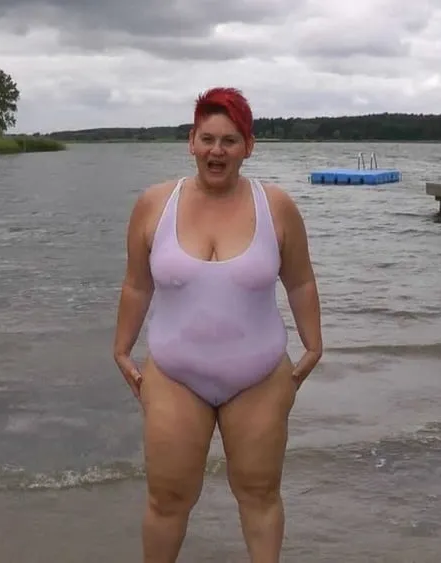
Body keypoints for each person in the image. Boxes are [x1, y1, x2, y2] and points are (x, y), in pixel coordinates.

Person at [112, 86, 323, 563]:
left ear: (248, 146)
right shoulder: (153, 204)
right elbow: (137, 284)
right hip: (173, 375)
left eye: (230, 141)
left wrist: (314, 346)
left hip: (260, 377)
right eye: (207, 139)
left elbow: (301, 282)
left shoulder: (278, 207)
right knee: (167, 500)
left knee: (260, 495)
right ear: (191, 141)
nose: (217, 151)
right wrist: (121, 349)